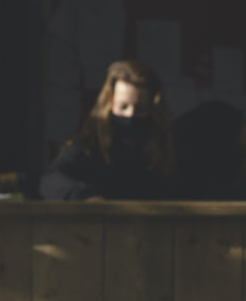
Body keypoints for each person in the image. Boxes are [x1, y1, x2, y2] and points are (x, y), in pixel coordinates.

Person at [39, 60, 177, 200]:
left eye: (140, 110)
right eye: (123, 107)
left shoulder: (165, 147)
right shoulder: (90, 145)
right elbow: (51, 180)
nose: (130, 115)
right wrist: (87, 197)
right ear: (110, 103)